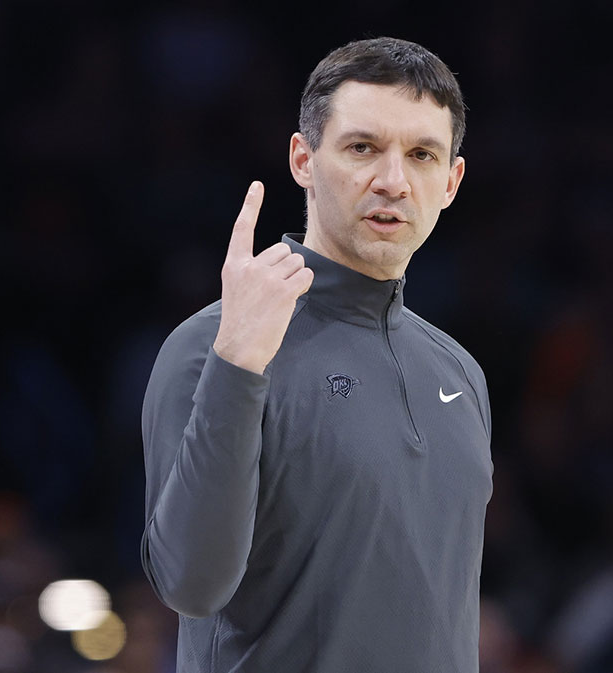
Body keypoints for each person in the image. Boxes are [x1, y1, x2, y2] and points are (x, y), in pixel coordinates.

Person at [141, 37, 492, 672]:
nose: (392, 181)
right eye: (362, 148)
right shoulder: (211, 347)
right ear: (303, 159)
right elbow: (190, 585)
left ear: (450, 182)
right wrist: (237, 364)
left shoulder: (459, 372)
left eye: (421, 155)